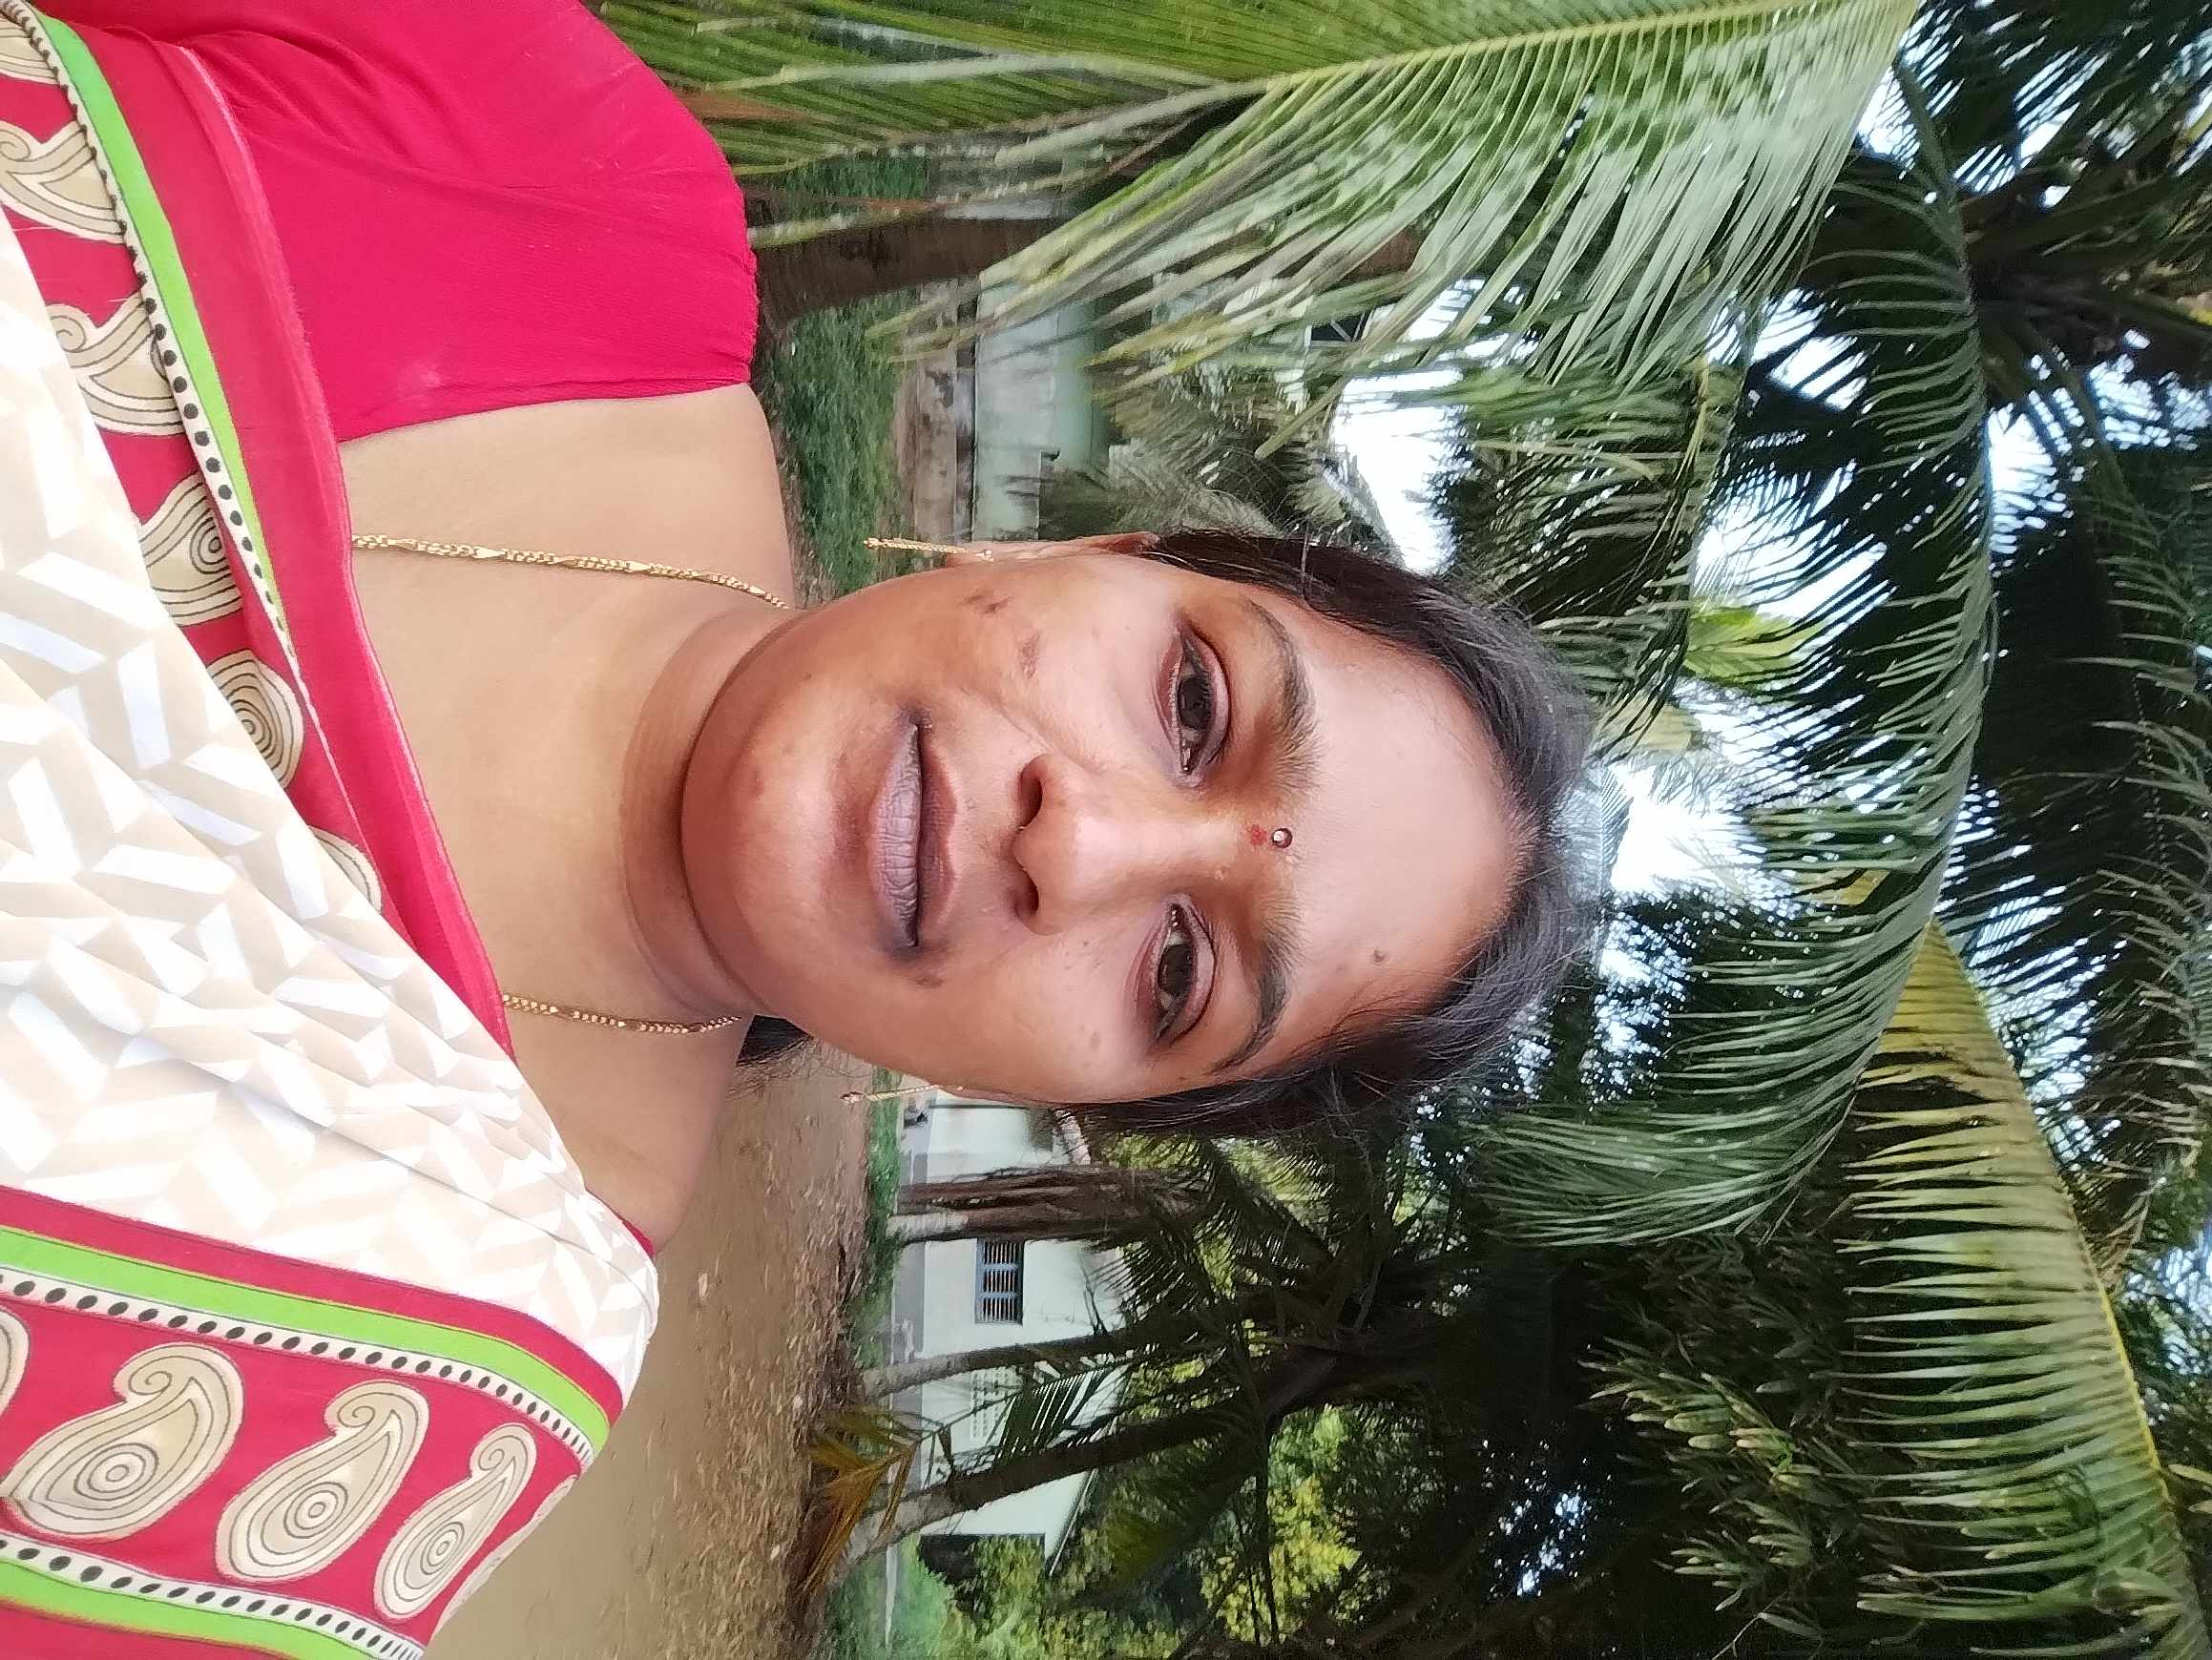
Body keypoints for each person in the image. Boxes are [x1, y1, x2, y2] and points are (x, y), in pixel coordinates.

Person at [0, 2, 1588, 1652]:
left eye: (1179, 973)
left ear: (1070, 1100)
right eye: (1193, 702)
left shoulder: (385, 1386)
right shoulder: (563, 176)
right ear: (1086, 554)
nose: (1080, 849)